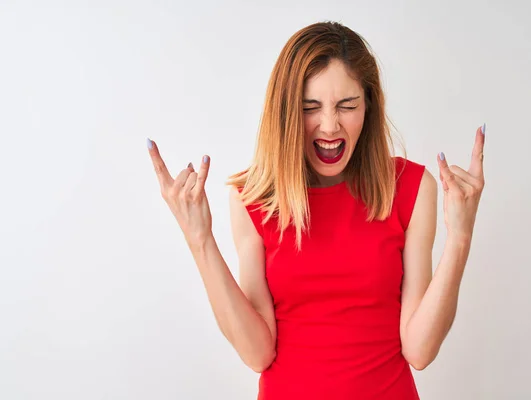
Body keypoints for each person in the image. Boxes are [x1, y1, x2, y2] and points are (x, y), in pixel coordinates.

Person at [147, 21, 485, 400]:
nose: (329, 125)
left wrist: (460, 237)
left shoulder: (411, 188)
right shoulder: (253, 199)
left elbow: (419, 351)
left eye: (347, 106)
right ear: (286, 112)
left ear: (368, 106)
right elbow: (257, 353)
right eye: (310, 108)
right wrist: (200, 239)